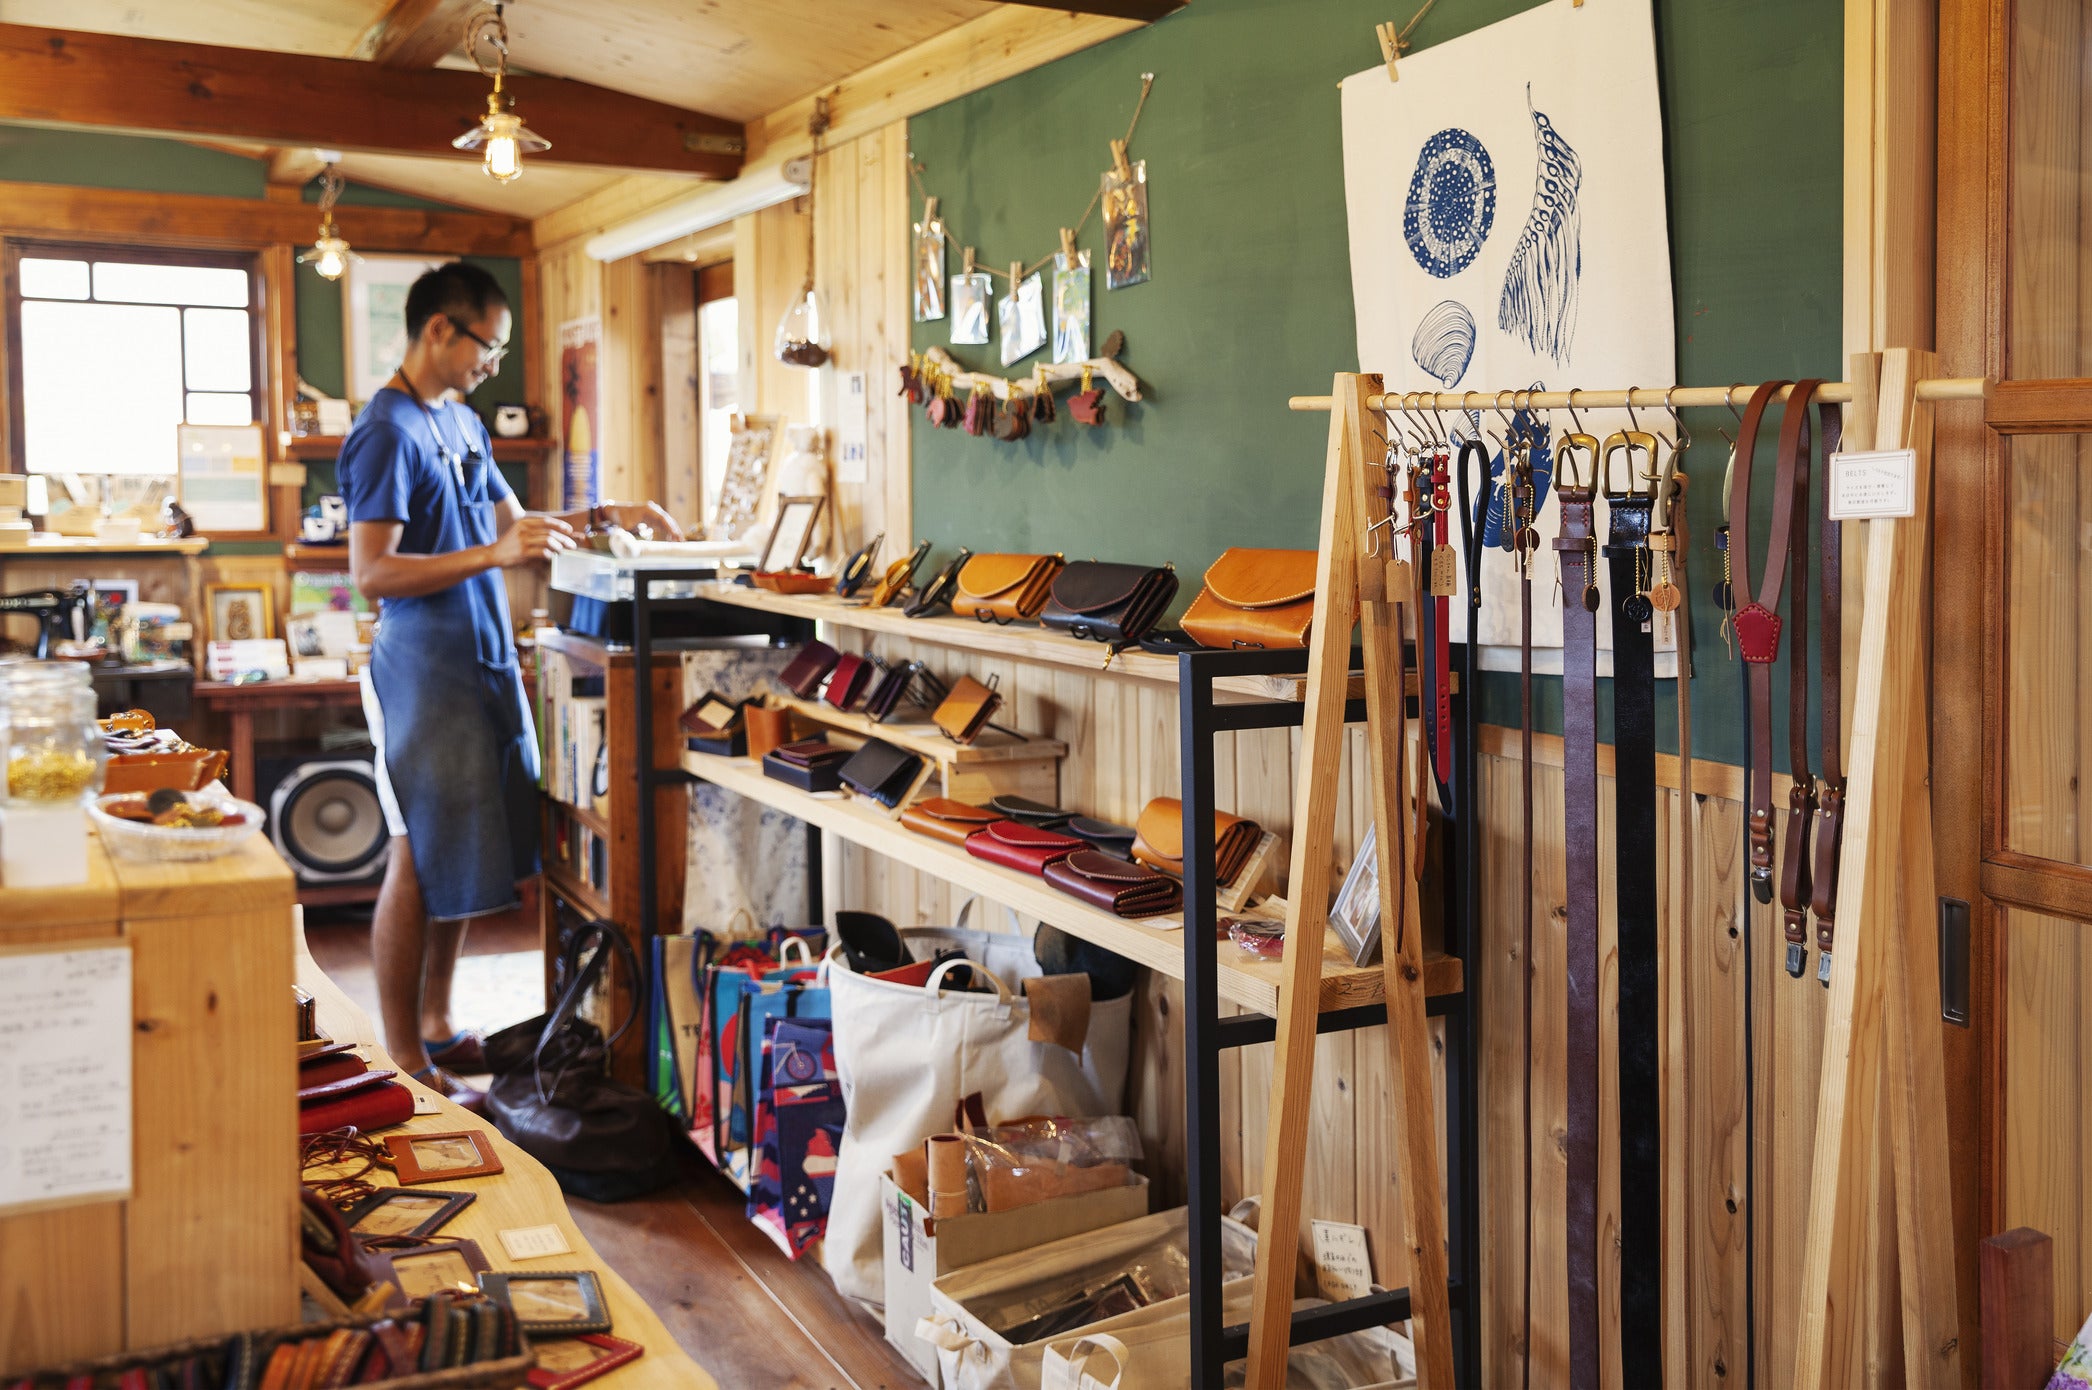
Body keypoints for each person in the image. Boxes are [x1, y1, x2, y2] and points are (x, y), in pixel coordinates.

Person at [341, 262, 676, 1109]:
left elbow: (512, 528)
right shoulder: (385, 431)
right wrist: (493, 557)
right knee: (417, 853)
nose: (493, 364)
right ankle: (406, 1052)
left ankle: (444, 1018)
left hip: (484, 658)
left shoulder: (458, 419)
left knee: (466, 853)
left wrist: (611, 515)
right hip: (421, 670)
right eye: (487, 346)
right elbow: (371, 571)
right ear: (439, 331)